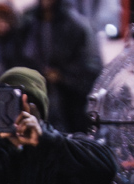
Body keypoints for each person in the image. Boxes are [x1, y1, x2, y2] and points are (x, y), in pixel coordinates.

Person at [16, 0, 102, 133]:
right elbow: (21, 55)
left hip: (70, 100)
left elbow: (90, 65)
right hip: (37, 92)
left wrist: (62, 75)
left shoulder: (75, 25)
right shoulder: (29, 22)